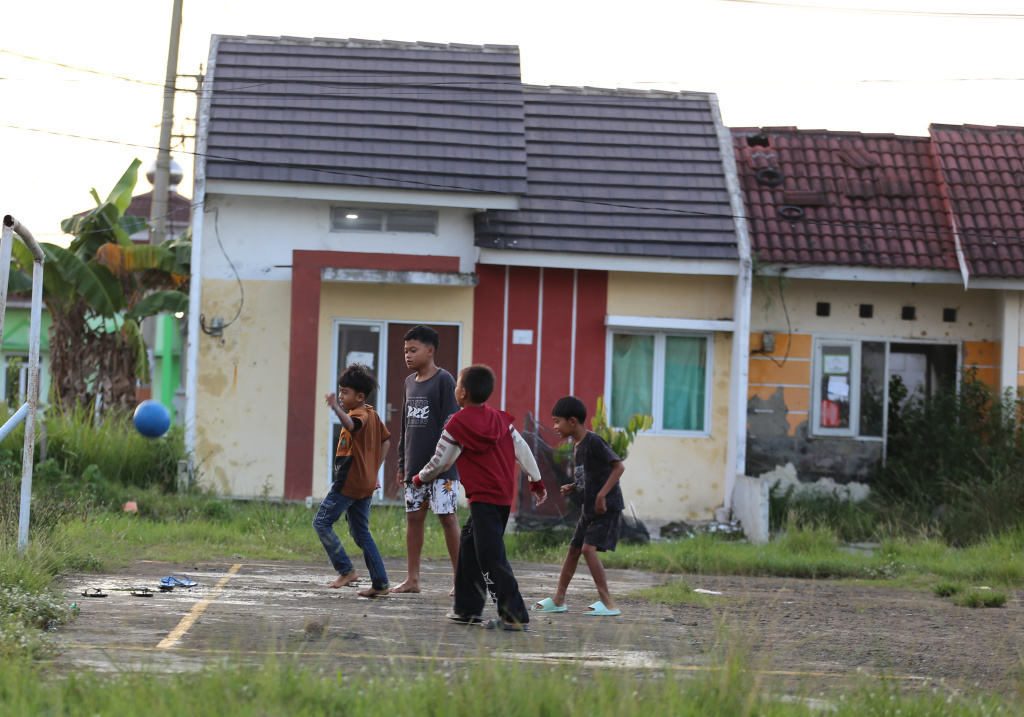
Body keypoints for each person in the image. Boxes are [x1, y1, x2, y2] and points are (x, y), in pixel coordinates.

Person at [412, 364, 547, 631]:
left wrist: (419, 478)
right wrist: (536, 480)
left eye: (457, 384)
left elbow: (440, 461)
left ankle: (514, 616)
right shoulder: (500, 420)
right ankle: (467, 609)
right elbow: (522, 449)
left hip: (483, 499)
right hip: (501, 498)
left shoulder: (457, 423)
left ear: (462, 393)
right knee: (469, 543)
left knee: (491, 557)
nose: (456, 388)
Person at [532, 396, 624, 616]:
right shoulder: (577, 446)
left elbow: (618, 467)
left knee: (587, 549)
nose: (555, 427)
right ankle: (559, 599)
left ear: (572, 421)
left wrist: (601, 495)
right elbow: (588, 475)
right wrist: (574, 486)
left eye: (557, 421)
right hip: (588, 509)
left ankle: (609, 604)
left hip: (606, 507)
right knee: (574, 550)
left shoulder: (594, 441)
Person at [393, 325, 462, 594]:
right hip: (414, 468)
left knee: (448, 519)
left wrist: (443, 460)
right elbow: (405, 426)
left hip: (442, 468)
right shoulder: (409, 383)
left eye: (413, 350)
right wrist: (402, 463)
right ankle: (412, 579)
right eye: (405, 351)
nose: (408, 355)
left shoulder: (444, 380)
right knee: (413, 519)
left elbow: (451, 423)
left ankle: (460, 580)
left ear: (430, 350)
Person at [313, 364, 391, 597]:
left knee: (321, 522)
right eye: (340, 391)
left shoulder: (359, 415)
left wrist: (336, 408)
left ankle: (346, 570)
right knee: (360, 533)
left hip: (348, 484)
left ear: (359, 397)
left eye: (345, 392)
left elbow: (351, 425)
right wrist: (374, 470)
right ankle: (380, 584)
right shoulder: (373, 414)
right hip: (365, 484)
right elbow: (386, 441)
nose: (341, 396)